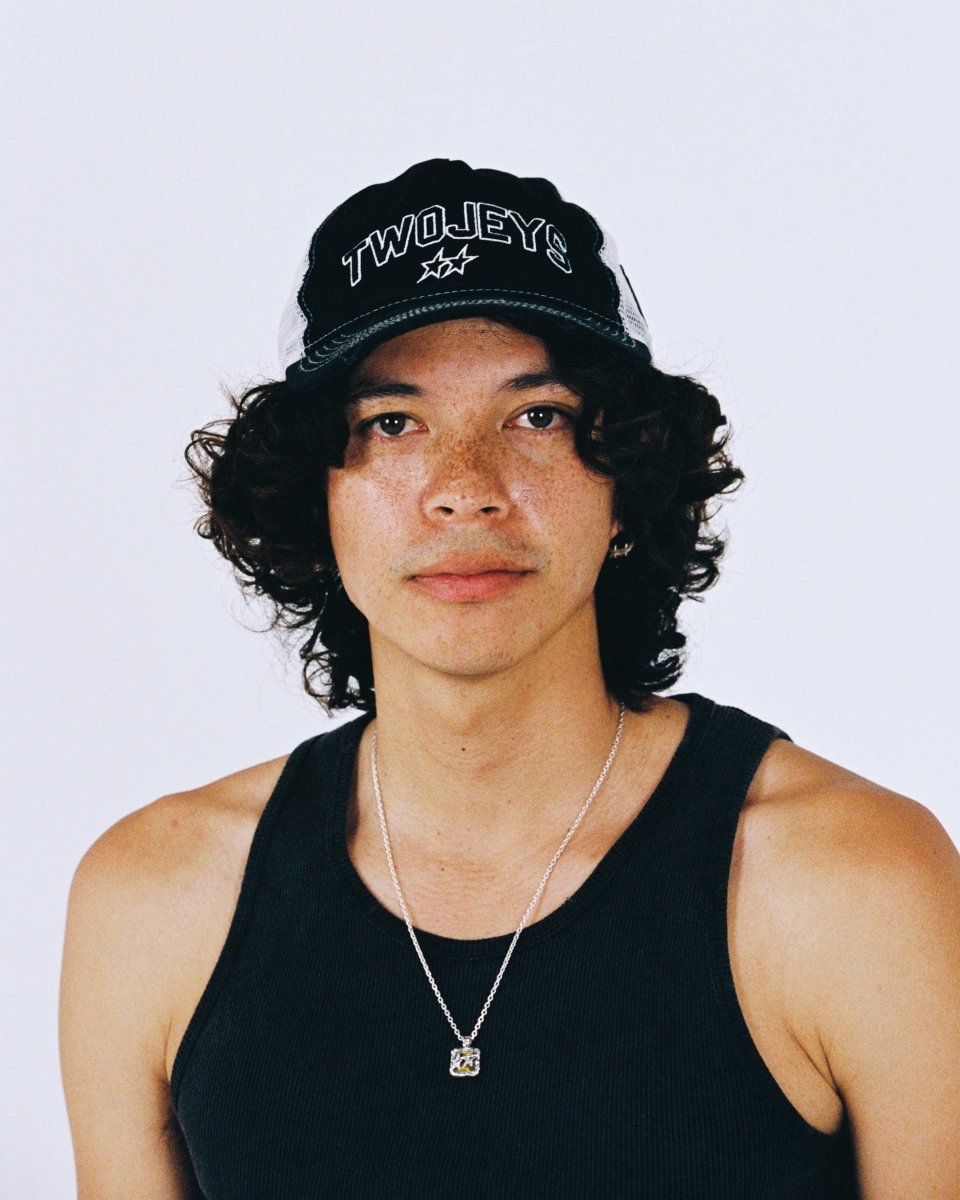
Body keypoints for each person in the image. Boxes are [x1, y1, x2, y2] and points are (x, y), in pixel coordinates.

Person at [59, 160, 960, 1199]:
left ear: (626, 478)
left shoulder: (851, 887)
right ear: (316, 496)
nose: (464, 490)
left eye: (537, 417)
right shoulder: (158, 904)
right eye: (392, 423)